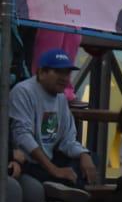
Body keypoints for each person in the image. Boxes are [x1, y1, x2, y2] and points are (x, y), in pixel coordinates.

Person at [10, 49, 98, 194]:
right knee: (71, 182)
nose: (64, 78)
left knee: (91, 158)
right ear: (41, 72)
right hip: (27, 163)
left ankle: (64, 190)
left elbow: (68, 139)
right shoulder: (23, 91)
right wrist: (54, 170)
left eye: (67, 73)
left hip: (50, 160)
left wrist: (84, 155)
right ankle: (64, 191)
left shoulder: (61, 97)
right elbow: (22, 137)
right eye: (58, 71)